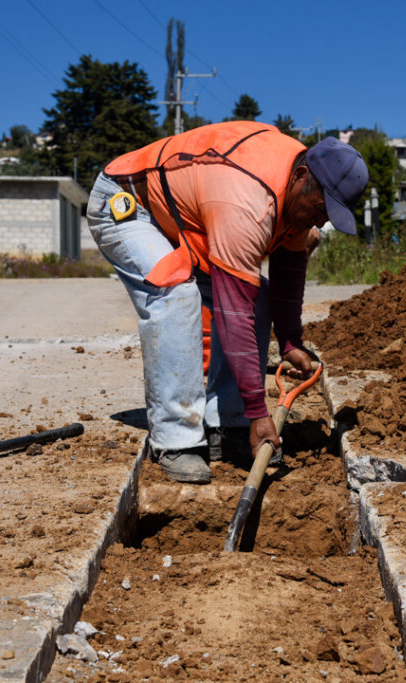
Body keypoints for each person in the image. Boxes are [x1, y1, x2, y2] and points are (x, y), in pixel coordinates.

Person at [86, 121, 368, 484]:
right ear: (300, 176)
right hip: (128, 203)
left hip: (185, 219)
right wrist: (259, 410)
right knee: (175, 293)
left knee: (259, 292)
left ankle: (227, 426)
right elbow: (235, 315)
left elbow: (287, 275)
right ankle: (176, 441)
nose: (320, 220)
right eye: (320, 208)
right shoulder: (248, 199)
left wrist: (289, 340)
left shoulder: (296, 192)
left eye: (329, 214)